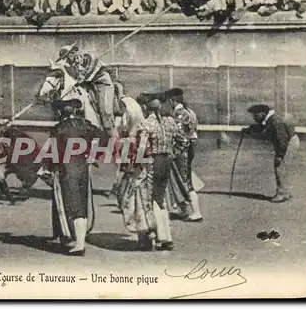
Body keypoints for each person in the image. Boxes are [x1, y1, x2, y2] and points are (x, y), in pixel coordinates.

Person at [118, 92, 188, 251]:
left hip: (151, 164)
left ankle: (158, 236)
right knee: (161, 199)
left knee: (148, 201)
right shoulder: (170, 121)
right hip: (166, 162)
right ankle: (166, 237)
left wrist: (134, 166)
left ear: (144, 107)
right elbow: (183, 140)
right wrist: (172, 153)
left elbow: (142, 148)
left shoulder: (146, 124)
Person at [47, 99, 108, 256]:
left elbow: (53, 153)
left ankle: (79, 244)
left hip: (67, 169)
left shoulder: (58, 129)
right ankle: (80, 241)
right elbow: (104, 137)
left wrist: (49, 168)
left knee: (72, 205)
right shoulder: (85, 124)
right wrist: (93, 156)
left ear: (61, 112)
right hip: (83, 167)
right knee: (82, 203)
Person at [55, 42, 121, 151]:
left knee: (105, 114)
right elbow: (79, 78)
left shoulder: (88, 55)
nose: (67, 61)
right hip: (90, 86)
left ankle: (113, 136)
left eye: (66, 58)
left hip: (103, 85)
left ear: (72, 54)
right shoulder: (75, 65)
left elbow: (90, 72)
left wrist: (81, 79)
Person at [242, 104, 300, 203]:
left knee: (279, 166)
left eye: (255, 115)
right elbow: (262, 127)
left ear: (263, 113)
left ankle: (282, 194)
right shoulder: (271, 119)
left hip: (288, 143)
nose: (254, 117)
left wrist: (280, 155)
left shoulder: (275, 121)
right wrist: (249, 129)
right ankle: (285, 192)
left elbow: (281, 139)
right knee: (281, 167)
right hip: (288, 142)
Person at [164, 88, 203, 222]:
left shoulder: (180, 114)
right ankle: (184, 210)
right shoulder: (188, 111)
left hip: (182, 151)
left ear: (171, 101)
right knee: (182, 178)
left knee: (184, 180)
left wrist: (173, 152)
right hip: (187, 148)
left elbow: (180, 137)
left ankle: (196, 212)